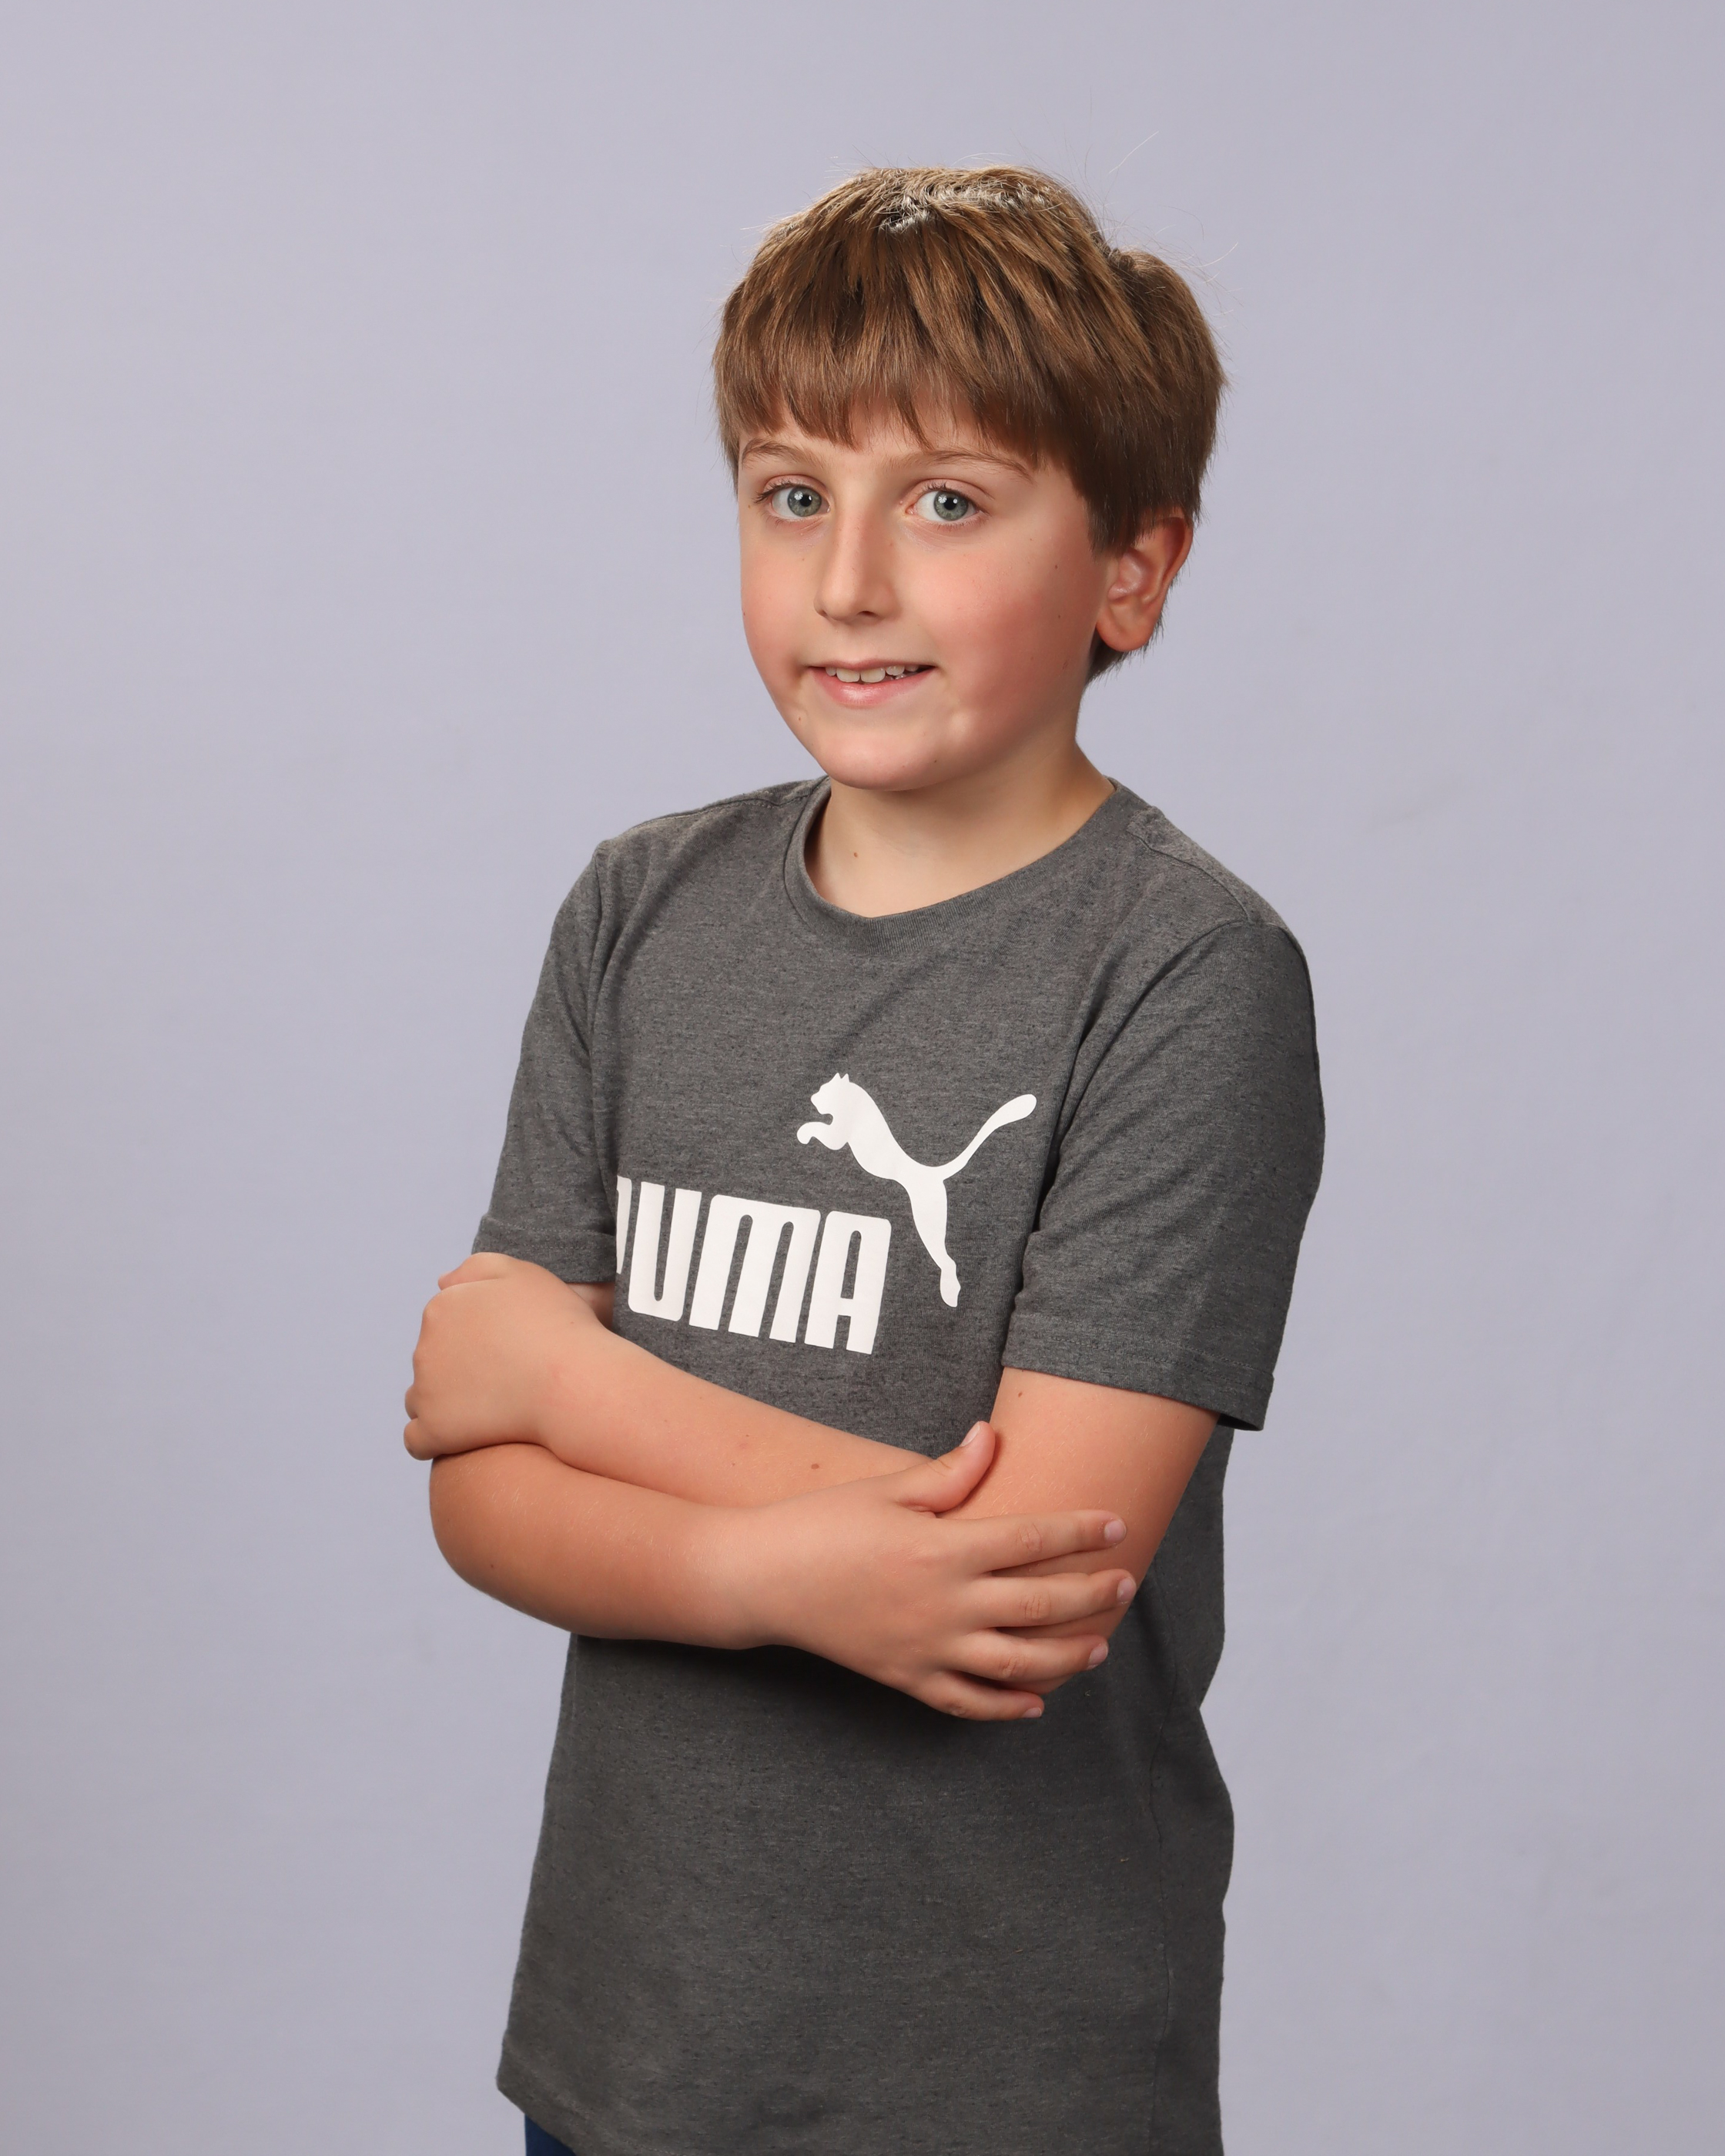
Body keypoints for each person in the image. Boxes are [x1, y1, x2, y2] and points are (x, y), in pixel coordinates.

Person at [404, 165, 1324, 2156]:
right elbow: (476, 1492)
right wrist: (774, 1570)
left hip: (999, 2082)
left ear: (1133, 570)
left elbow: (1033, 1578)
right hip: (630, 2050)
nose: (847, 583)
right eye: (791, 493)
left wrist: (571, 1382)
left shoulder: (1185, 973)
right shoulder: (637, 913)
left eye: (950, 504)